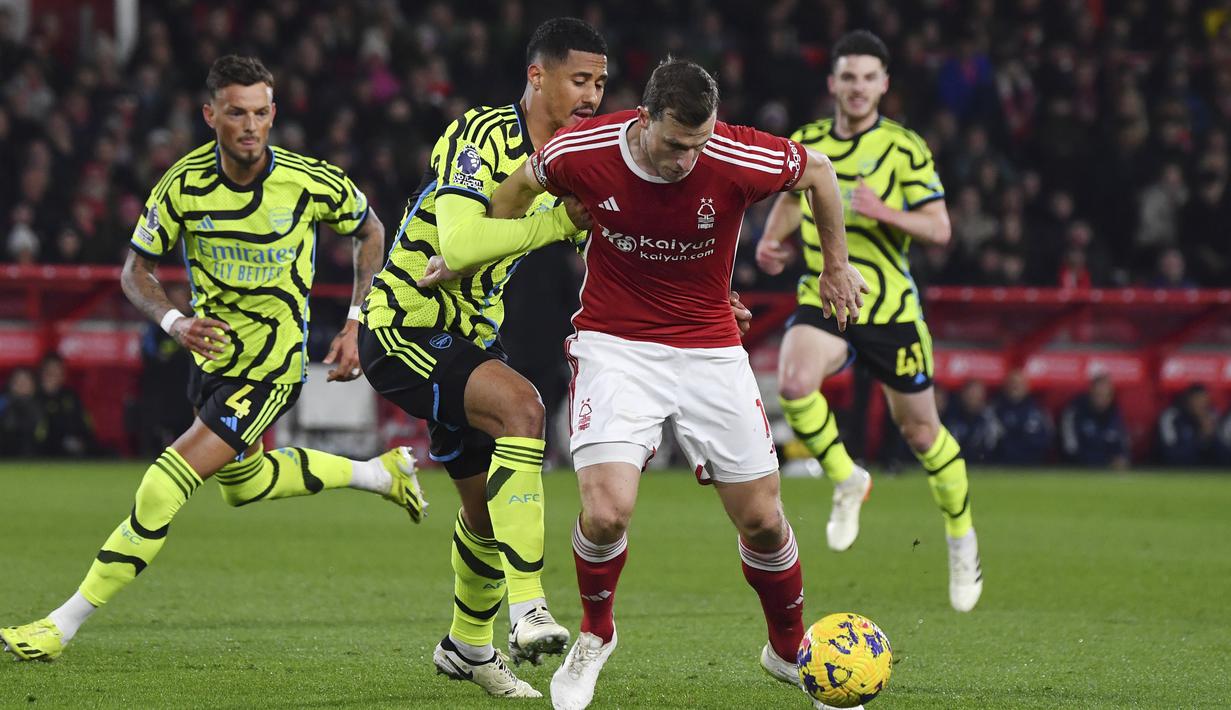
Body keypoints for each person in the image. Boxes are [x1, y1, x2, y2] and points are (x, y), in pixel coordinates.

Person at [0, 56, 424, 662]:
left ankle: (59, 626)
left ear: (273, 114)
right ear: (211, 116)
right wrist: (174, 320)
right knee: (244, 486)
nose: (250, 126)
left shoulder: (309, 181)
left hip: (272, 365)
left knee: (161, 485)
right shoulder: (183, 184)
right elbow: (134, 270)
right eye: (236, 113)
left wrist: (358, 321)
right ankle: (382, 474)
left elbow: (371, 228)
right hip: (213, 360)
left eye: (260, 113)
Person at [489, 58, 867, 710]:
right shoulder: (581, 150)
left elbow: (819, 173)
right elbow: (509, 195)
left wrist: (835, 265)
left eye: (698, 144)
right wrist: (532, 241)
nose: (686, 159)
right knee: (605, 513)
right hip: (614, 345)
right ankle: (596, 634)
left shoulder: (732, 153)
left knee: (763, 522)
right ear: (643, 121)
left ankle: (785, 648)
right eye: (673, 144)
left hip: (710, 348)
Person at [357, 18, 605, 698]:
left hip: (468, 335)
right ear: (537, 77)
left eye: (600, 83)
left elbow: (607, 246)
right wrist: (557, 222)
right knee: (523, 406)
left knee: (487, 512)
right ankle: (527, 609)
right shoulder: (482, 135)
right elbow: (461, 244)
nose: (590, 95)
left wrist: (703, 294)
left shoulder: (577, 156)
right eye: (578, 80)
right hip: (404, 321)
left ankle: (467, 645)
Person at [756, 30, 982, 613]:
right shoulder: (805, 141)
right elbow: (786, 195)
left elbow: (940, 228)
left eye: (868, 78)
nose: (857, 88)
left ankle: (961, 535)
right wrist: (773, 241)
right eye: (847, 77)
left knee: (923, 435)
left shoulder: (905, 149)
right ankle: (847, 477)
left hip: (889, 309)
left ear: (884, 85)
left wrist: (886, 212)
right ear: (832, 84)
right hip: (826, 295)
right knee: (796, 383)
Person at [1060, 373, 1130, 468]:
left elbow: (1122, 446)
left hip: (1108, 472)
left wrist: (1122, 459)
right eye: (1098, 394)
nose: (1102, 400)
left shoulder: (1115, 414)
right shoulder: (1075, 411)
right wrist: (1105, 462)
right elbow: (1071, 450)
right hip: (1079, 471)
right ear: (1090, 392)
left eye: (1106, 395)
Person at [34, 354, 94, 457]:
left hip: (76, 446)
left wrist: (83, 441)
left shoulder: (70, 396)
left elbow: (85, 423)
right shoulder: (33, 395)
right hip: (45, 450)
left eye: (58, 371)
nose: (54, 375)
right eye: (49, 371)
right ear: (42, 372)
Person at [991, 369, 1051, 465]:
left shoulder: (1038, 410)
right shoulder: (994, 410)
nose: (1016, 387)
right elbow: (991, 442)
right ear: (1005, 386)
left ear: (1027, 386)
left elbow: (1045, 438)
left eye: (1020, 383)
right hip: (1002, 465)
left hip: (1033, 466)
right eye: (1012, 383)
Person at [1156, 384, 1220, 466]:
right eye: (1198, 400)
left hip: (1206, 473)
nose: (1201, 405)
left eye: (1205, 402)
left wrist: (1209, 437)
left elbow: (1224, 457)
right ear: (1189, 399)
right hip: (1171, 472)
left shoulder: (1212, 417)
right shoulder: (1172, 417)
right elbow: (1170, 455)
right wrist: (1199, 439)